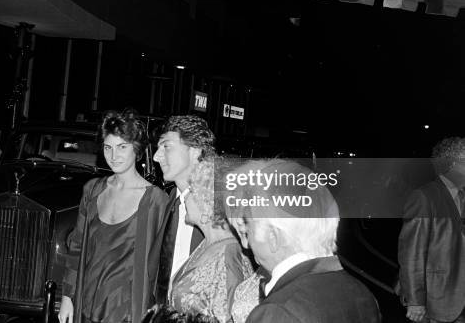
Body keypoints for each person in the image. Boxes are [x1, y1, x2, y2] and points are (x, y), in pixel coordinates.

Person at [228, 159, 380, 323]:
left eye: (249, 226)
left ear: (273, 237)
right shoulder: (362, 293)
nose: (246, 243)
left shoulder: (278, 312)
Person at [58, 111, 169, 323]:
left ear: (136, 149)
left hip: (128, 311)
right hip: (87, 301)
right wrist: (67, 296)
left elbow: (162, 265)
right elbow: (77, 247)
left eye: (122, 147)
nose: (114, 155)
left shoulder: (156, 200)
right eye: (108, 147)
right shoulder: (92, 190)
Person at [169, 160, 254, 323]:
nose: (185, 196)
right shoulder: (208, 243)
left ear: (208, 206)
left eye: (191, 191)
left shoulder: (229, 257)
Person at [398, 137, 465, 323]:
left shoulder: (462, 195)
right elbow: (412, 253)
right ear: (451, 164)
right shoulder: (424, 197)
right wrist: (415, 301)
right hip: (438, 301)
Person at [152, 115, 216, 305]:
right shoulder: (168, 201)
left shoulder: (220, 207)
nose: (156, 156)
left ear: (195, 151)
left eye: (166, 146)